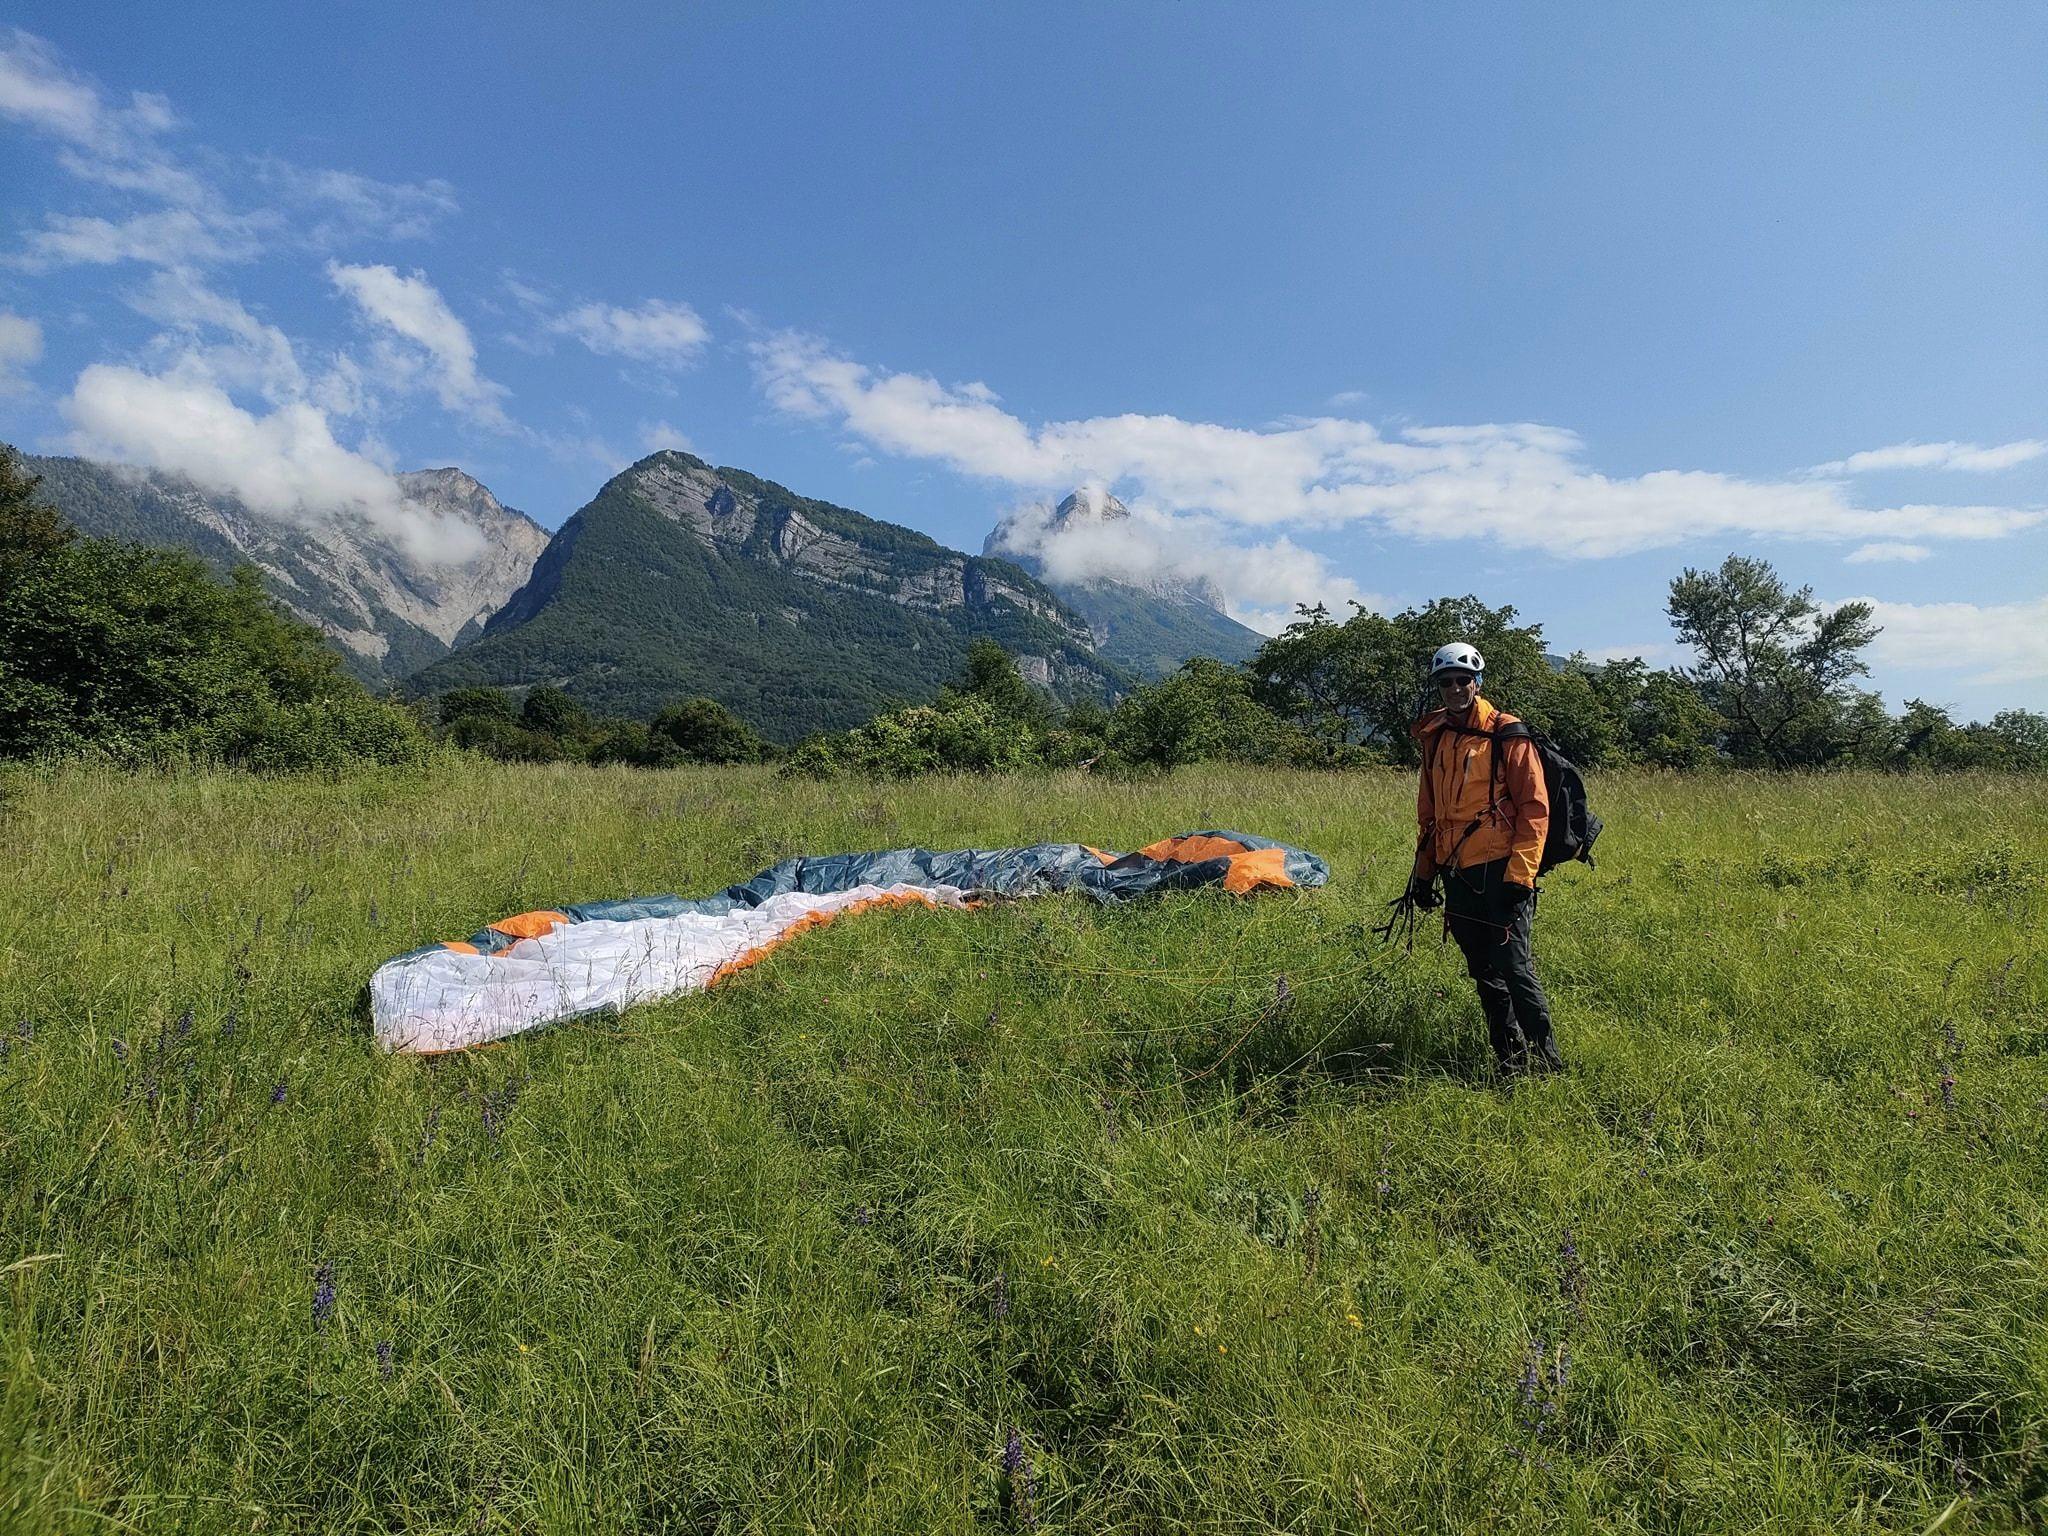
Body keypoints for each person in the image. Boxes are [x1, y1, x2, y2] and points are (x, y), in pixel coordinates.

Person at [1406, 642, 1565, 1075]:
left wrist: (1521, 875)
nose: (1455, 688)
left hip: (1503, 870)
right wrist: (1423, 877)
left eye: (1463, 680)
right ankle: (1510, 1061)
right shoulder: (1435, 737)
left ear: (1477, 683)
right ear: (1438, 686)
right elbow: (1430, 814)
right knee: (1483, 972)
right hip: (1457, 872)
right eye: (1446, 682)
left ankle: (1548, 1064)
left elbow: (1535, 808)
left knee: (1514, 968)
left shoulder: (1506, 733)